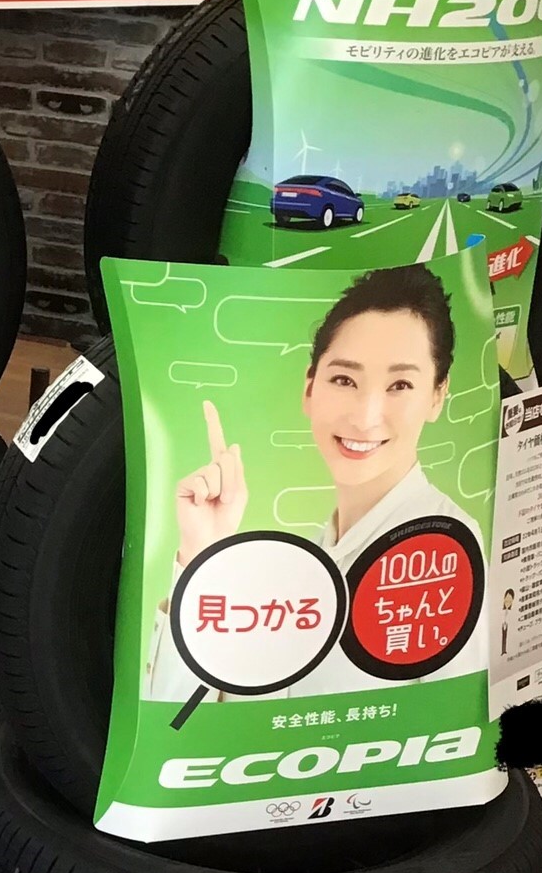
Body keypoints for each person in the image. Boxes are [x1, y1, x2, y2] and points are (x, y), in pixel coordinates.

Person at [145, 264, 486, 700]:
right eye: (344, 379)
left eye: (400, 384)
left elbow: (459, 734)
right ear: (309, 388)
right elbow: (179, 720)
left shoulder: (447, 549)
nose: (365, 417)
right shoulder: (298, 565)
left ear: (437, 395)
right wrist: (201, 556)